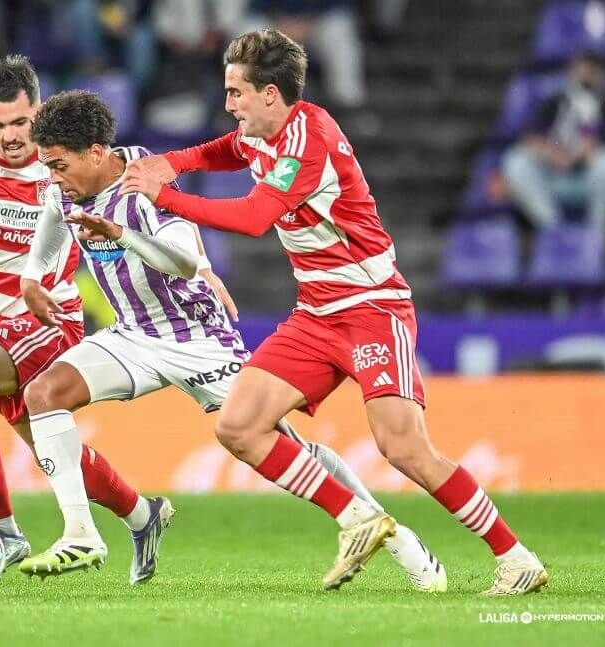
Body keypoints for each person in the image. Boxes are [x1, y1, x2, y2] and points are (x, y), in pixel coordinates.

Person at [121, 29, 548, 595]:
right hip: (317, 313)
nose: (228, 105)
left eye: (236, 93)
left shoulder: (309, 138)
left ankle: (515, 557)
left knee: (403, 448)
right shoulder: (260, 132)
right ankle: (360, 518)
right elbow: (228, 149)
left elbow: (253, 218)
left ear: (271, 95)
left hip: (372, 308)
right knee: (239, 426)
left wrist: (164, 193)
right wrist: (172, 162)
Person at [17, 90, 446, 592]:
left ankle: (396, 538)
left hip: (198, 339)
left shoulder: (145, 182)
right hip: (133, 334)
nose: (53, 178)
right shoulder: (64, 188)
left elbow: (182, 261)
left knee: (282, 446)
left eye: (59, 166)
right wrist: (32, 277)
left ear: (96, 153)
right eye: (47, 167)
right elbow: (50, 217)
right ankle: (81, 532)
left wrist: (121, 233)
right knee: (42, 395)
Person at [0, 54, 231, 583]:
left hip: (47, 314)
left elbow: (155, 204)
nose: (9, 137)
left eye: (20, 122)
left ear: (38, 111)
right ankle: (143, 514)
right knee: (52, 451)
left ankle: (4, 532)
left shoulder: (63, 164)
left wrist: (201, 268)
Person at [502, 51, 605, 237]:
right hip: (555, 177)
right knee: (516, 161)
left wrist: (586, 152)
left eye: (592, 74)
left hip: (592, 178)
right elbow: (530, 138)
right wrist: (553, 154)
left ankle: (597, 232)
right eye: (580, 73)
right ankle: (552, 230)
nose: (585, 79)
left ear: (603, 76)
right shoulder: (555, 101)